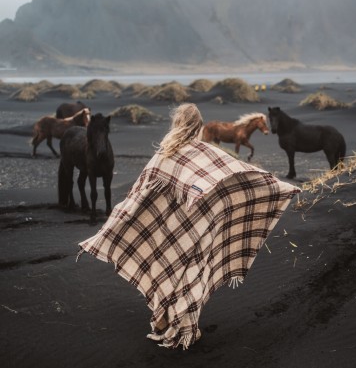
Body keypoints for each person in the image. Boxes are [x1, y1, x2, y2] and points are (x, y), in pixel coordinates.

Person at [77, 103, 300, 349]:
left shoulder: (163, 154)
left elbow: (139, 193)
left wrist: (120, 219)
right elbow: (240, 174)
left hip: (166, 230)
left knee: (166, 270)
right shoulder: (206, 153)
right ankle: (182, 325)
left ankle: (164, 321)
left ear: (177, 123)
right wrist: (280, 187)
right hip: (193, 232)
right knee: (189, 273)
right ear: (198, 126)